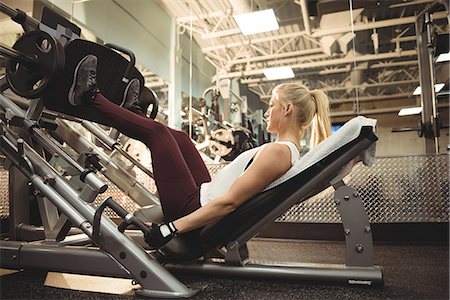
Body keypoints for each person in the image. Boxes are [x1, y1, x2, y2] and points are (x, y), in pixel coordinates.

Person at [68, 54, 332, 249]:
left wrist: (171, 228)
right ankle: (134, 114)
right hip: (203, 194)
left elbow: (230, 203)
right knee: (181, 139)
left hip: (191, 208)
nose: (266, 112)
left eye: (272, 105)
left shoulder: (278, 152)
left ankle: (89, 96)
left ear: (287, 110)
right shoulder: (285, 151)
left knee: (159, 135)